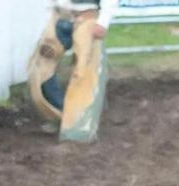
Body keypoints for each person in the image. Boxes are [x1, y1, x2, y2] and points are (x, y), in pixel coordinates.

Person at [28, 0, 118, 141]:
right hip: (59, 17)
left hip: (86, 19)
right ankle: (61, 115)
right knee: (40, 70)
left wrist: (103, 22)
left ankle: (77, 124)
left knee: (83, 73)